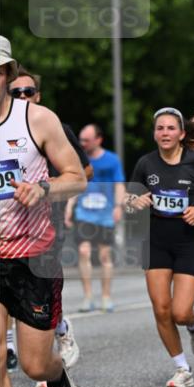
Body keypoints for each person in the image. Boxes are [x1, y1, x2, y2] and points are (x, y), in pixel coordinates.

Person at [0, 36, 86, 387]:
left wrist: (44, 188)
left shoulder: (37, 120)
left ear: (9, 75)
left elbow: (76, 178)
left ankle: (59, 380)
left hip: (35, 255)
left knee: (35, 363)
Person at [127, 108, 194, 387]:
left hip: (187, 242)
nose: (165, 133)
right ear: (154, 133)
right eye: (160, 128)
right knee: (161, 309)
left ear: (182, 134)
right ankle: (182, 368)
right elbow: (129, 199)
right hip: (156, 242)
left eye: (171, 128)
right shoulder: (146, 164)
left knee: (180, 312)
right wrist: (134, 203)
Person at [9, 67, 93, 383]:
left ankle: (57, 330)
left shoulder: (52, 127)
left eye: (28, 92)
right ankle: (11, 347)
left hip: (46, 225)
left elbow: (85, 173)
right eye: (15, 92)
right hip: (6, 229)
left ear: (38, 96)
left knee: (37, 291)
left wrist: (46, 185)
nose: (22, 97)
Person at [65, 124, 125, 312]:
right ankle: (88, 297)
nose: (82, 143)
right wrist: (69, 208)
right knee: (83, 252)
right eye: (81, 139)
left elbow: (119, 185)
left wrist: (118, 206)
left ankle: (106, 297)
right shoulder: (77, 160)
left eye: (86, 140)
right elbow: (75, 184)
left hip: (105, 214)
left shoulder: (112, 160)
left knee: (104, 255)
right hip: (84, 213)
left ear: (98, 140)